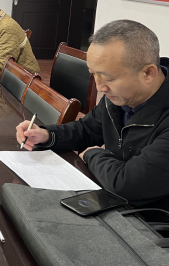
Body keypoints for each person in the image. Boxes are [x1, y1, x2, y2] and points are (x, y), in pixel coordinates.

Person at [16, 20, 169, 210]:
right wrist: (47, 135)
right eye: (94, 74)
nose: (100, 87)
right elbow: (87, 129)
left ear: (148, 73)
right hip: (115, 201)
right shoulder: (120, 97)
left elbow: (127, 185)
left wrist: (92, 154)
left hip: (152, 219)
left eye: (109, 78)